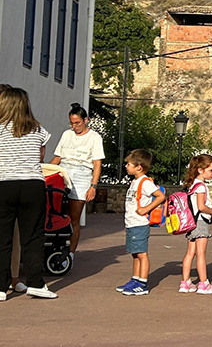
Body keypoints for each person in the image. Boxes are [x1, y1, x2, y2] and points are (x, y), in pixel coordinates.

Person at [0, 87, 57, 300]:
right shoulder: (38, 129)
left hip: (4, 183)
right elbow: (41, 156)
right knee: (33, 237)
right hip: (33, 184)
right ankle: (36, 284)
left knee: (3, 238)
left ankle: (1, 287)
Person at [48, 103, 104, 262]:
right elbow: (58, 157)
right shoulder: (67, 134)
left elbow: (97, 164)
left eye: (77, 123)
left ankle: (70, 253)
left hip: (82, 174)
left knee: (74, 216)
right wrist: (44, 170)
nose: (74, 126)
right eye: (72, 123)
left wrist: (93, 186)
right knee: (56, 210)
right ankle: (55, 245)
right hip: (64, 171)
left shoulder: (94, 137)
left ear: (86, 120)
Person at [116, 149, 165, 296]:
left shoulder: (145, 182)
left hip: (139, 223)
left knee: (142, 254)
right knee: (135, 253)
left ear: (139, 167)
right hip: (131, 223)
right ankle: (135, 279)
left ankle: (142, 283)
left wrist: (146, 209)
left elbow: (160, 196)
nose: (126, 166)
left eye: (129, 164)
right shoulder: (135, 182)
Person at [179, 154, 212, 295]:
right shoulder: (201, 186)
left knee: (190, 253)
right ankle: (203, 283)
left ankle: (185, 283)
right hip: (201, 222)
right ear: (200, 170)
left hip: (192, 222)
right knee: (201, 253)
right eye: (211, 170)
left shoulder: (192, 185)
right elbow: (201, 206)